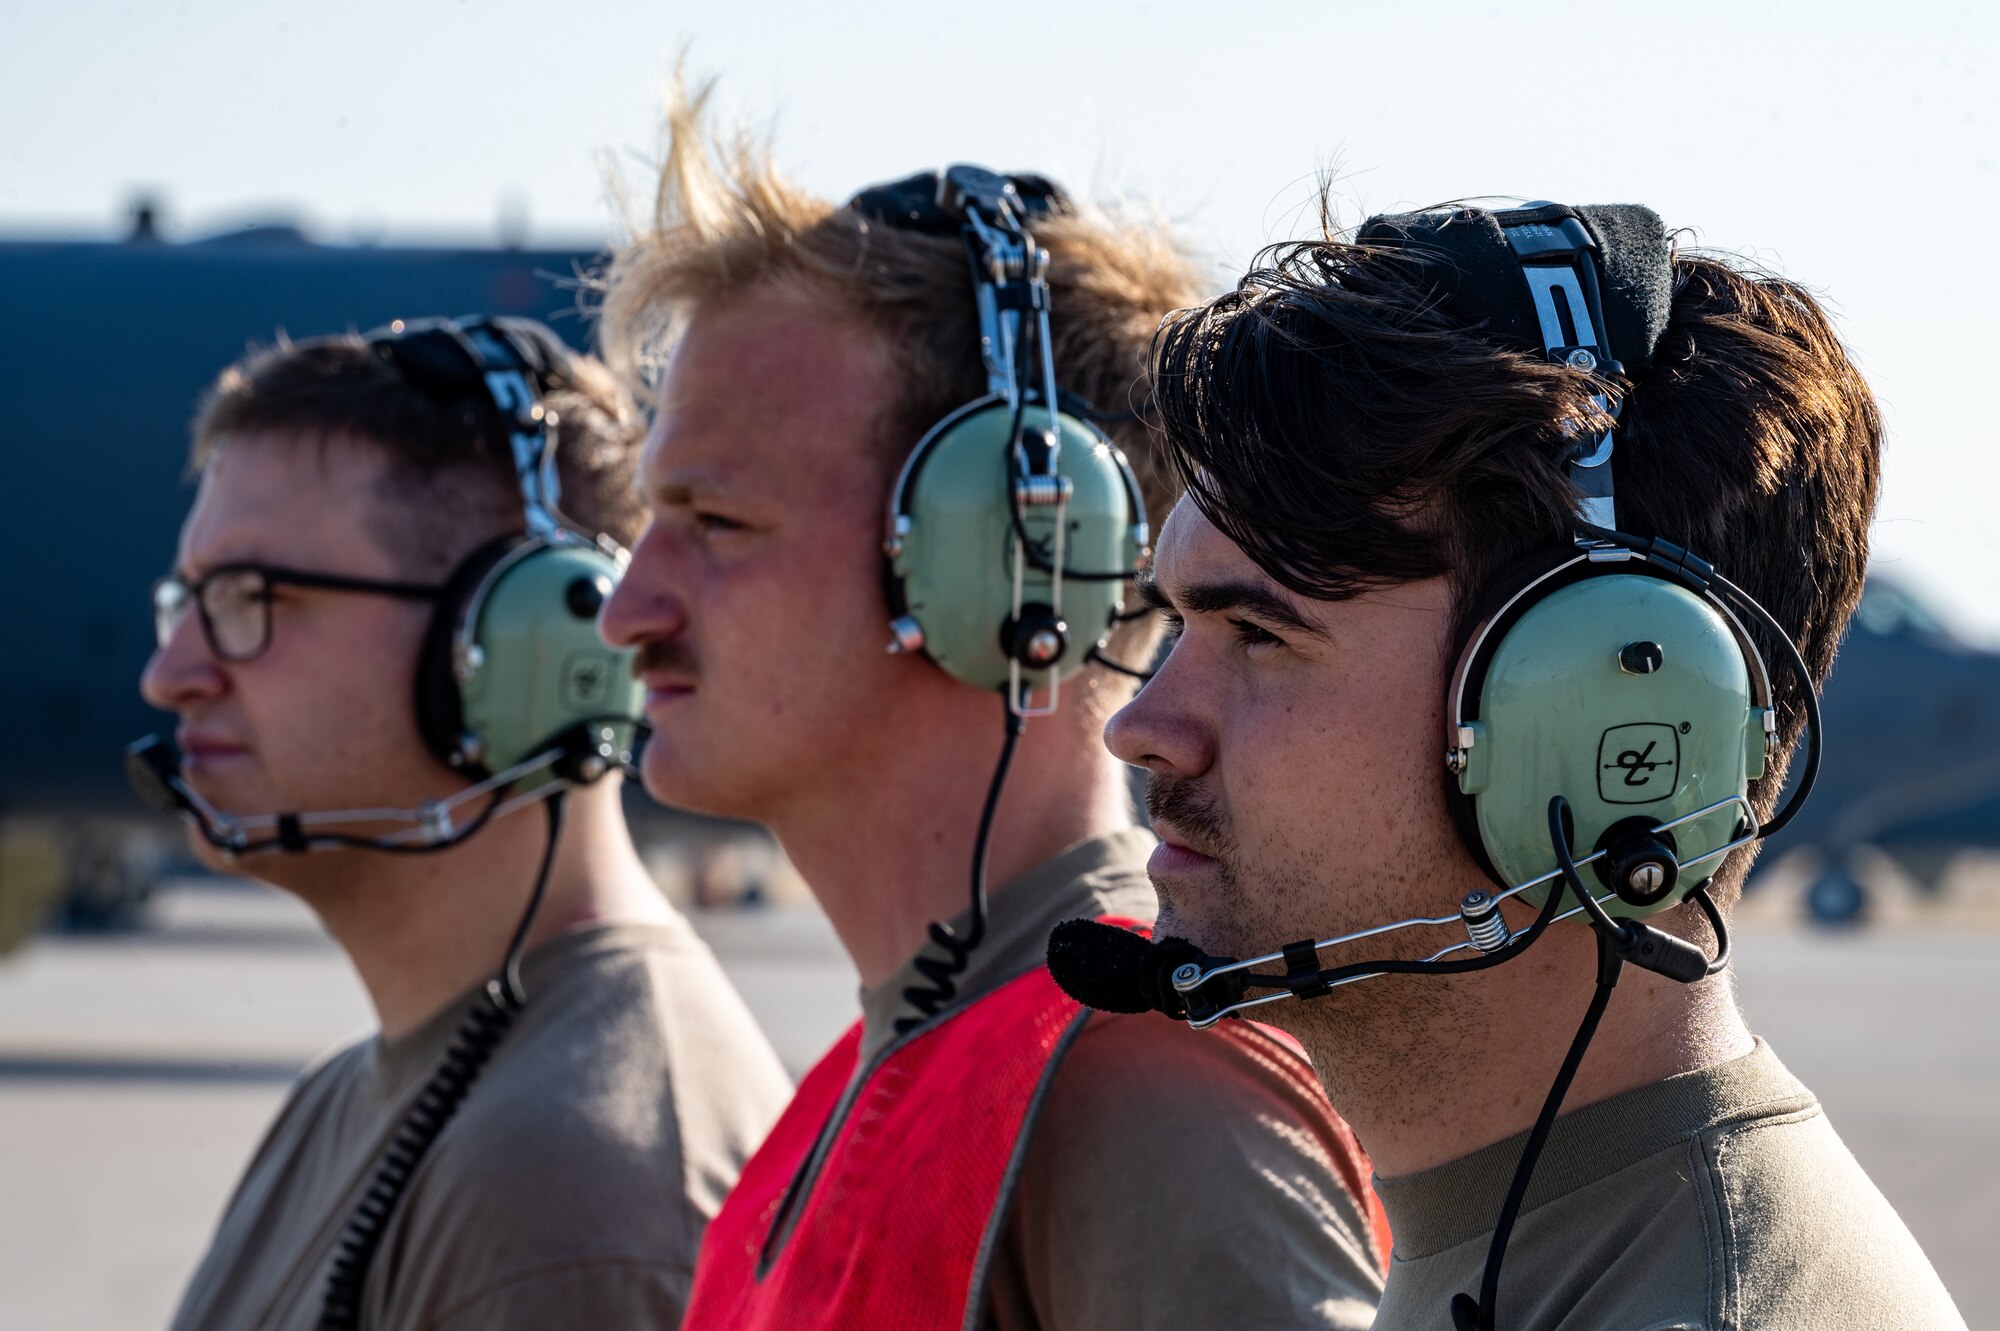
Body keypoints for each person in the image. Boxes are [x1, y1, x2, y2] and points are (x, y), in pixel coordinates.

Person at [594, 86, 1389, 1331]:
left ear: (1010, 557)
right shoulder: (875, 1078)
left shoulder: (1147, 1087)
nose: (626, 605)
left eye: (715, 523)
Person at [1096, 197, 1968, 1327]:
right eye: (1176, 628)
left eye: (1259, 635)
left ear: (1610, 727)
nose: (1140, 723)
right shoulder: (1520, 1249)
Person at [139, 318, 791, 1331]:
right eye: (184, 599)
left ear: (528, 643)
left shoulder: (569, 1187)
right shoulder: (355, 1095)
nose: (172, 671)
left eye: (248, 597)